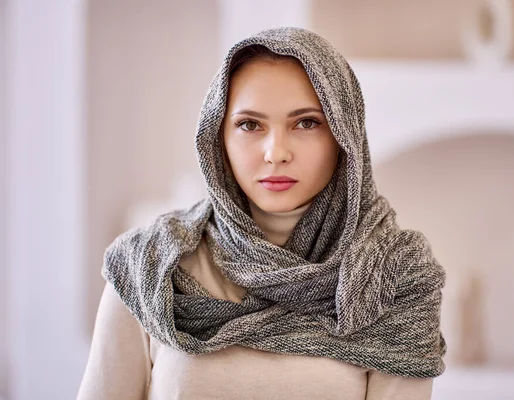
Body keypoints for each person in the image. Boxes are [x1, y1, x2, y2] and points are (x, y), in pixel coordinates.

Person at [77, 27, 447, 400]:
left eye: (306, 123)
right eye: (249, 125)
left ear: (343, 135)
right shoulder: (148, 265)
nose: (276, 152)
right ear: (217, 137)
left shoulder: (398, 273)